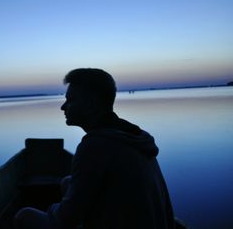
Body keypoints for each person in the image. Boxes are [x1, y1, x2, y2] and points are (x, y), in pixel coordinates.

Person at [14, 68, 175, 229]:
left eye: (70, 100)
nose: (63, 107)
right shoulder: (133, 136)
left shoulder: (94, 147)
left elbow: (64, 221)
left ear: (90, 104)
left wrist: (52, 209)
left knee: (25, 216)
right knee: (67, 182)